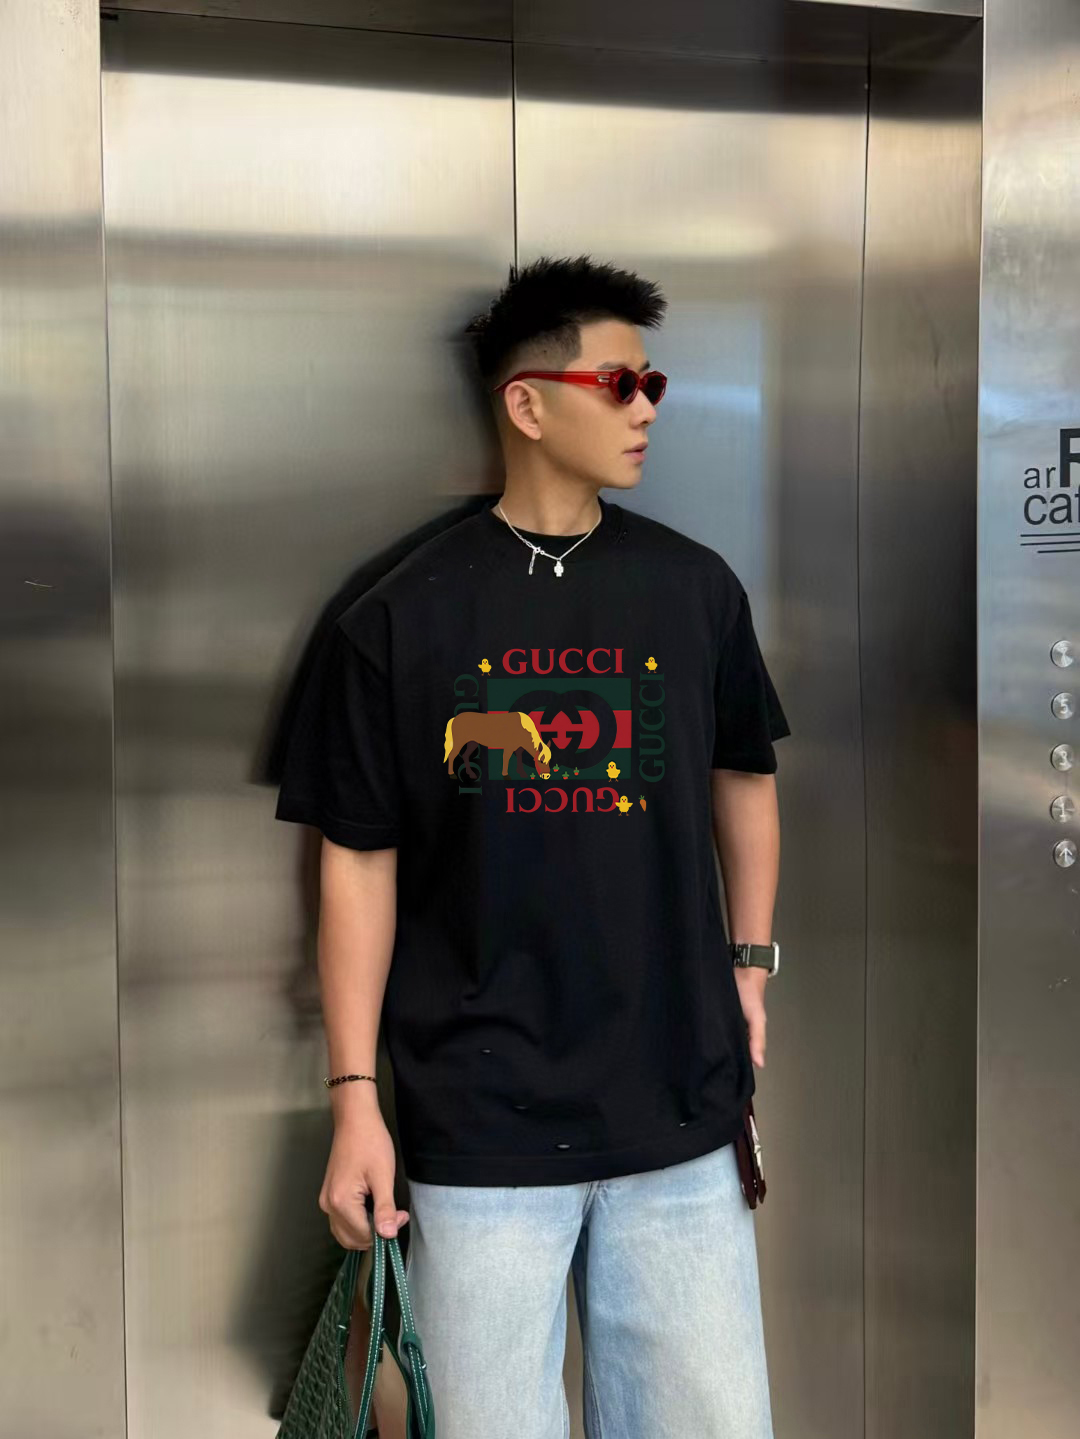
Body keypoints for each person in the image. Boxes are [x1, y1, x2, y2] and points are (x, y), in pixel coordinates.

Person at [274, 254, 791, 1437]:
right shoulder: (397, 615)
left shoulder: (693, 588)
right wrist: (354, 1098)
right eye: (620, 381)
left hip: (679, 1110)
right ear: (528, 402)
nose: (647, 405)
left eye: (653, 381)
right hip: (478, 1124)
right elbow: (357, 858)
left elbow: (746, 775)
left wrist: (752, 962)